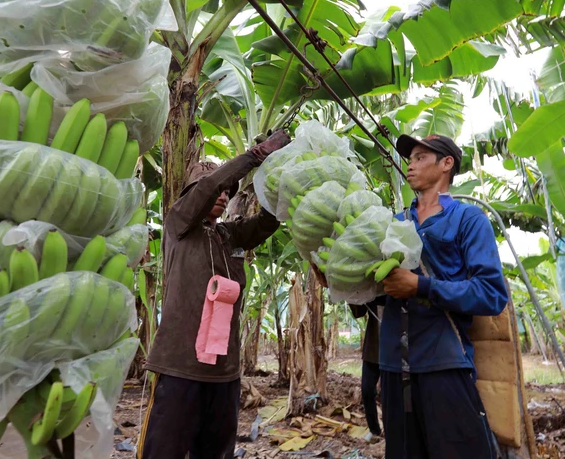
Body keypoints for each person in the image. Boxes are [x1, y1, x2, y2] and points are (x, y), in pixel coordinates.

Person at [313, 133, 508, 459]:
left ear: (447, 164)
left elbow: (491, 293)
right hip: (394, 368)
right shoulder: (392, 223)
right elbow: (379, 292)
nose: (410, 164)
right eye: (409, 158)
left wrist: (421, 286)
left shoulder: (467, 220)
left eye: (420, 157)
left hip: (443, 364)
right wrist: (336, 280)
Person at [138, 130, 291, 459]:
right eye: (216, 190)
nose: (222, 195)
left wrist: (278, 167)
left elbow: (269, 221)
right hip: (180, 370)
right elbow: (207, 187)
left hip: (225, 375)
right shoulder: (178, 225)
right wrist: (256, 154)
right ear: (192, 194)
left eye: (227, 192)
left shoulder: (229, 235)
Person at [349, 301, 383, 437]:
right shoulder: (371, 287)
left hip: (395, 348)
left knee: (390, 394)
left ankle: (395, 432)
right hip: (373, 348)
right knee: (367, 389)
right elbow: (359, 312)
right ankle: (374, 430)